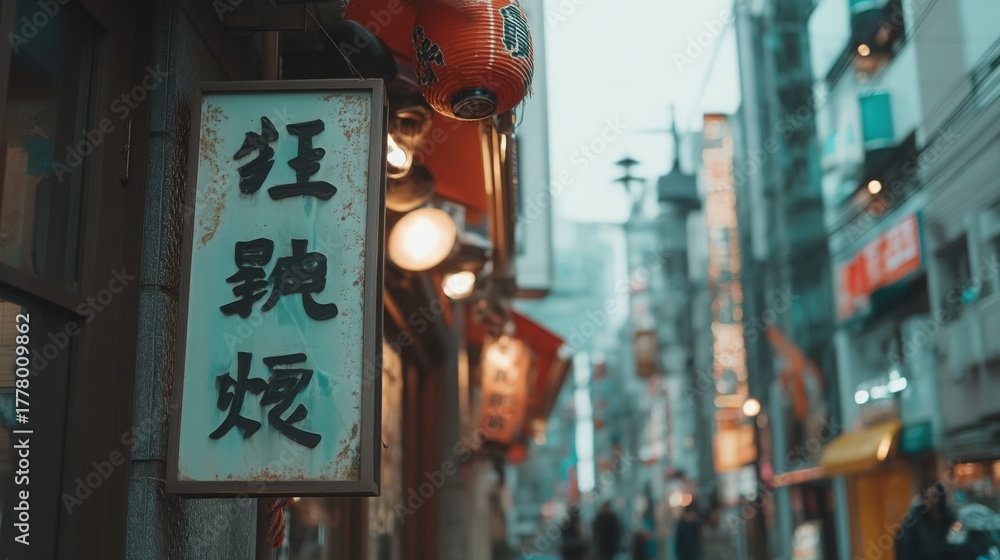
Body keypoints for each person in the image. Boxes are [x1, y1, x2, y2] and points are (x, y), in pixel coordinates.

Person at [895, 481, 968, 560]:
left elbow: (959, 545)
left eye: (934, 496)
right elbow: (904, 547)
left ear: (941, 498)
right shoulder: (913, 519)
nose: (931, 501)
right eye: (927, 497)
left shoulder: (951, 518)